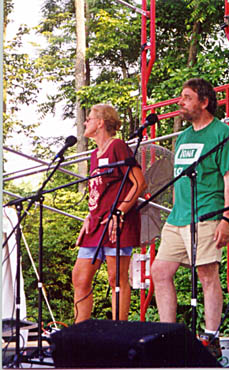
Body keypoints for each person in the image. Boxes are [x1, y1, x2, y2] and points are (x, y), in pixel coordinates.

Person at [150, 78, 229, 358]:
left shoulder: (221, 132)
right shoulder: (185, 136)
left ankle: (211, 337)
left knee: (206, 274)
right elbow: (179, 181)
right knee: (159, 272)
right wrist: (175, 211)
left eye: (187, 97)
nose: (181, 102)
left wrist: (228, 219)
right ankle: (170, 335)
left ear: (204, 101)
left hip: (207, 215)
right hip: (178, 219)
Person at [73, 104, 147, 323]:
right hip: (96, 223)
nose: (85, 122)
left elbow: (139, 183)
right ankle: (80, 332)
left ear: (100, 122)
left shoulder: (118, 146)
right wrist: (89, 215)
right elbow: (99, 189)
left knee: (116, 278)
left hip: (117, 222)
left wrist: (119, 212)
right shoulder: (95, 154)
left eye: (89, 118)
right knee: (80, 277)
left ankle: (119, 330)